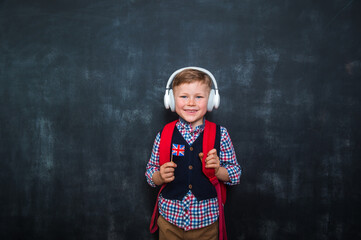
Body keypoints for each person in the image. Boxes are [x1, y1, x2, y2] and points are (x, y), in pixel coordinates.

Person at [145, 67, 241, 240]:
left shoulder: (221, 134)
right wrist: (159, 176)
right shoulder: (164, 134)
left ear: (211, 100)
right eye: (183, 96)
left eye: (199, 97)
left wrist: (218, 170)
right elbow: (150, 172)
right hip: (169, 222)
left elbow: (235, 175)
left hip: (207, 224)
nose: (191, 103)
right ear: (171, 101)